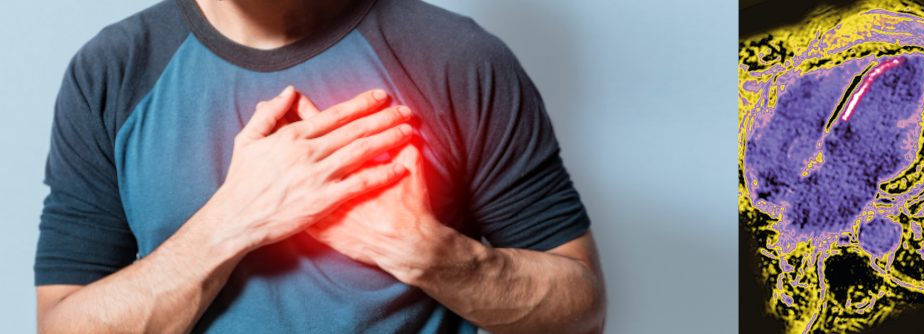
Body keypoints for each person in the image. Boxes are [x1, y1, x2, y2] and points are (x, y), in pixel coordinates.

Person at [34, 0, 607, 332]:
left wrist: (426, 253)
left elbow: (582, 308)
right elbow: (62, 324)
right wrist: (232, 223)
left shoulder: (457, 57)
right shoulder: (111, 70)